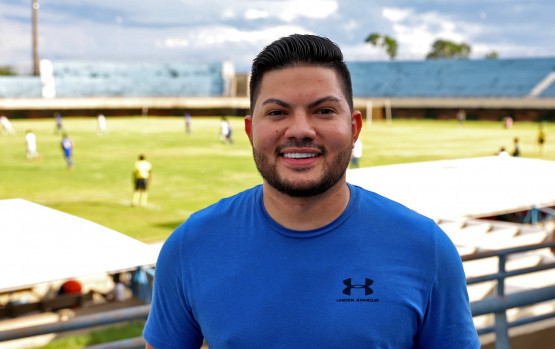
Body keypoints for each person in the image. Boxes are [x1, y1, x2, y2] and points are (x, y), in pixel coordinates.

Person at [143, 34, 479, 349]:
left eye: (324, 111)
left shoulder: (426, 249)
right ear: (250, 130)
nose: (301, 130)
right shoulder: (190, 247)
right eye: (277, 112)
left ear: (354, 128)